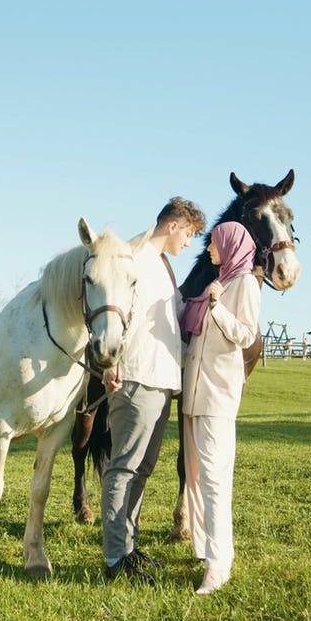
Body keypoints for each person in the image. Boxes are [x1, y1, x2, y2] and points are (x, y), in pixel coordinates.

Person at [101, 196, 206, 584]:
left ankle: (128, 547)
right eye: (190, 234)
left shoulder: (162, 265)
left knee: (142, 469)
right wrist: (110, 362)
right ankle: (114, 560)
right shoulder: (133, 256)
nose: (189, 243)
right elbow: (113, 311)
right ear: (173, 225)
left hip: (162, 380)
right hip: (136, 376)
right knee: (124, 467)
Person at [181, 221, 261, 595]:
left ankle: (219, 564)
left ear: (229, 245)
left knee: (214, 479)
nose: (210, 249)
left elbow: (246, 334)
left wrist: (216, 307)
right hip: (193, 395)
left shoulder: (243, 283)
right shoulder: (221, 280)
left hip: (217, 395)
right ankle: (203, 548)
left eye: (213, 244)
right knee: (195, 478)